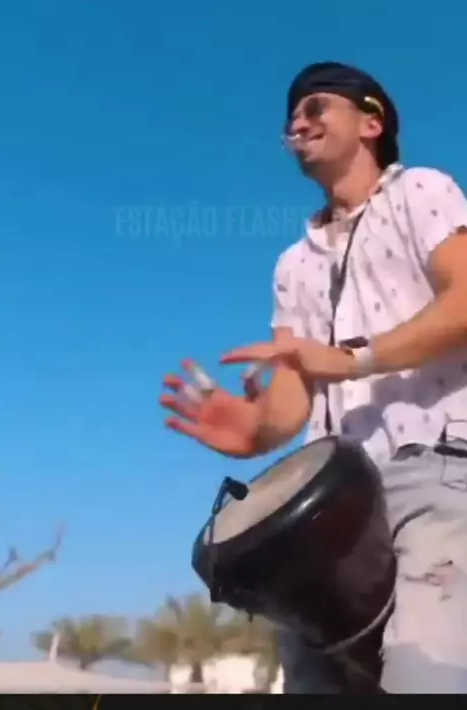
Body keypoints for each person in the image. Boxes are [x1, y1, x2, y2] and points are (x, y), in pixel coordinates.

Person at [160, 61, 467, 693]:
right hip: (324, 511)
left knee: (425, 677)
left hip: (434, 471)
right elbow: (292, 399)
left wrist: (357, 359)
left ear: (372, 122)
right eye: (292, 117)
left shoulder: (422, 192)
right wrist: (254, 431)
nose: (297, 124)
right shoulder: (291, 266)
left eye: (316, 107)